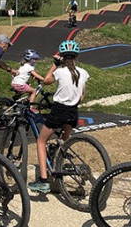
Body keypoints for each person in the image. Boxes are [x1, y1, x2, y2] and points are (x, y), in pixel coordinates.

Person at [28, 40, 89, 193]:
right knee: (63, 141)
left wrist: (55, 64)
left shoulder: (60, 72)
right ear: (76, 57)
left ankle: (43, 180)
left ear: (62, 56)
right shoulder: (83, 73)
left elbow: (46, 81)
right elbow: (82, 97)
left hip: (59, 110)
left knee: (41, 141)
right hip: (73, 111)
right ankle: (60, 158)